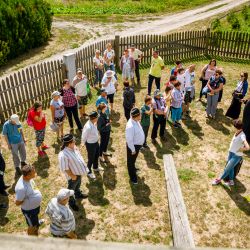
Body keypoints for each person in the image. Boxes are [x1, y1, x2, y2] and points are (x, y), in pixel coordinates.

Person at [212, 120, 249, 186]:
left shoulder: (242, 135)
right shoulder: (237, 132)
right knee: (231, 168)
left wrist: (241, 149)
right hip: (231, 153)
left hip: (236, 155)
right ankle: (231, 181)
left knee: (227, 168)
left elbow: (247, 147)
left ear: (235, 127)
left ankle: (218, 180)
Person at [58, 134, 89, 212]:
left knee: (78, 185)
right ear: (69, 143)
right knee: (71, 190)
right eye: (73, 141)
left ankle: (78, 194)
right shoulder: (63, 155)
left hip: (78, 173)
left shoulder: (73, 147)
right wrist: (72, 176)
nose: (75, 141)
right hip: (73, 176)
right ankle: (71, 203)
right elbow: (65, 168)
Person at [15, 164, 43, 236]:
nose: (35, 173)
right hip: (29, 211)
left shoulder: (28, 178)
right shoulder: (21, 188)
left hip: (34, 208)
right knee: (31, 226)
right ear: (28, 175)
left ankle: (36, 224)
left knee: (35, 218)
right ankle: (32, 236)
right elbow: (17, 203)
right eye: (34, 173)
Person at [81, 111, 103, 180]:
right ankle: (89, 171)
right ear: (94, 118)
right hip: (90, 144)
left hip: (96, 142)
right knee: (91, 158)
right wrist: (82, 143)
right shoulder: (88, 127)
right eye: (97, 117)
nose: (98, 118)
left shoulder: (93, 122)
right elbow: (84, 136)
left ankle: (95, 167)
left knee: (96, 155)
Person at [125, 108, 145, 184]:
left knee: (133, 160)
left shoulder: (135, 120)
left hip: (137, 145)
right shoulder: (130, 126)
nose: (141, 115)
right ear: (136, 116)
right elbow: (129, 140)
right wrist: (133, 150)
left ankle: (133, 168)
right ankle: (133, 178)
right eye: (140, 114)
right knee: (130, 162)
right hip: (132, 146)